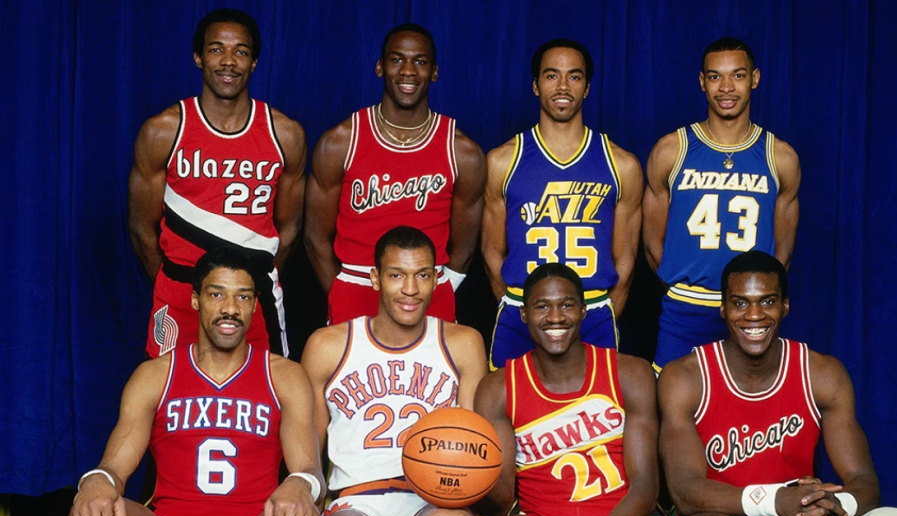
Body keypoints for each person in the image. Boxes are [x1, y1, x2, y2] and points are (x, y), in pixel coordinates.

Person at [657, 251, 897, 516]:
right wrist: (776, 499)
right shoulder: (685, 378)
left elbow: (863, 479)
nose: (754, 315)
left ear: (785, 306)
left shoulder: (821, 373)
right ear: (723, 309)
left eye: (768, 301)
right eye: (740, 303)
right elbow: (685, 490)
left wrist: (835, 506)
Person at [67, 247, 323, 516]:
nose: (230, 308)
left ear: (255, 305)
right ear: (195, 300)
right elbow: (114, 467)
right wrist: (97, 480)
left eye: (243, 296)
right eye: (217, 294)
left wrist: (300, 484)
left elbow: (309, 468)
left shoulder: (284, 376)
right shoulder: (155, 375)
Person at [128, 8, 306, 359]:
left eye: (241, 51)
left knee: (267, 400)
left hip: (252, 297)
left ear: (254, 62)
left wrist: (249, 283)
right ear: (198, 57)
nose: (228, 62)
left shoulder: (285, 134)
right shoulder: (163, 131)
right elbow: (141, 229)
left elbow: (289, 229)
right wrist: (178, 282)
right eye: (216, 49)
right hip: (180, 292)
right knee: (169, 401)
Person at [301, 226, 488, 516]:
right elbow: (309, 449)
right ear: (375, 278)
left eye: (423, 275)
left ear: (437, 280)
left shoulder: (463, 344)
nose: (411, 289)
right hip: (356, 501)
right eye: (397, 275)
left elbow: (476, 446)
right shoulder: (327, 346)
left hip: (434, 497)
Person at [475, 263, 687, 516]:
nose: (555, 317)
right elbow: (501, 502)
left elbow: (645, 487)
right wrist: (464, 474)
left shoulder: (629, 373)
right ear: (524, 314)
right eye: (542, 307)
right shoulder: (498, 389)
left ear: (583, 310)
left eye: (567, 305)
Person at [305, 23, 486, 325]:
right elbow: (315, 238)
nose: (408, 71)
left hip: (429, 293)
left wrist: (436, 290)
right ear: (380, 67)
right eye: (397, 59)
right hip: (356, 286)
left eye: (420, 61)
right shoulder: (341, 142)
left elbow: (465, 246)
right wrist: (340, 290)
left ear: (435, 71)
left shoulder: (462, 152)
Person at [483, 39, 643, 369]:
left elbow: (625, 260)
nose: (563, 86)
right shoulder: (503, 160)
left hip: (593, 312)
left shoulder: (621, 164)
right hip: (520, 314)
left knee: (596, 419)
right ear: (535, 85)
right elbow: (491, 252)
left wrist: (604, 312)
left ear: (586, 88)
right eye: (552, 76)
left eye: (574, 77)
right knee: (509, 416)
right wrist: (518, 310)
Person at [642, 37, 801, 369]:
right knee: (672, 412)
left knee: (743, 414)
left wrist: (752, 298)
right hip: (684, 312)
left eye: (738, 76)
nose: (726, 87)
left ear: (755, 79)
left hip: (750, 313)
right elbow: (652, 244)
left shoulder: (780, 157)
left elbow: (782, 255)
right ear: (702, 82)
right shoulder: (671, 150)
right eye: (715, 76)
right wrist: (684, 288)